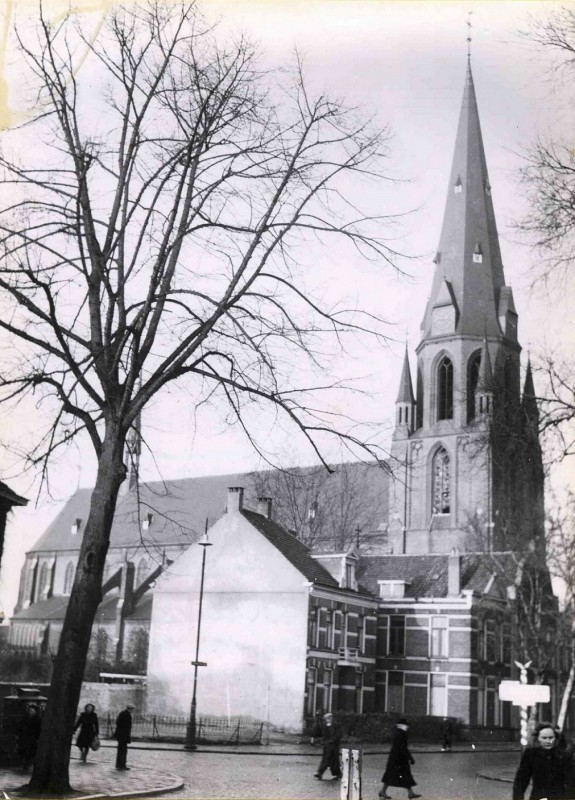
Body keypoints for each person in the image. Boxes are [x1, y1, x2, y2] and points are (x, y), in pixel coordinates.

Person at [513, 722, 568, 800]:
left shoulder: (564, 756)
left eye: (551, 737)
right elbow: (521, 780)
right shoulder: (531, 754)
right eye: (544, 738)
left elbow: (571, 780)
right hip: (538, 796)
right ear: (538, 738)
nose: (548, 741)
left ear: (555, 738)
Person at [380, 718, 421, 800]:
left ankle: (410, 793)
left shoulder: (398, 733)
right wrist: (410, 758)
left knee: (399, 775)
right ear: (401, 726)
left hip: (396, 758)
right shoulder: (401, 734)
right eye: (406, 725)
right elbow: (403, 747)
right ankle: (383, 792)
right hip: (399, 759)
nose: (407, 727)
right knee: (401, 775)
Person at [314, 712, 342, 780]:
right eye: (327, 718)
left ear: (332, 718)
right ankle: (320, 773)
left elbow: (338, 734)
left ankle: (337, 774)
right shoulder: (324, 726)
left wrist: (333, 740)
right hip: (327, 746)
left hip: (334, 746)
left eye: (330, 718)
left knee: (334, 760)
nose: (328, 719)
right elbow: (320, 734)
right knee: (326, 759)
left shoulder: (336, 725)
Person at [17, 704, 42, 771]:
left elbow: (39, 729)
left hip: (32, 737)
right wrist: (19, 734)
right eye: (30, 710)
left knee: (30, 750)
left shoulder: (37, 719)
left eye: (32, 710)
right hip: (24, 736)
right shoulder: (25, 717)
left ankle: (27, 762)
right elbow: (20, 726)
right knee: (23, 749)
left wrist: (37, 737)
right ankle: (24, 761)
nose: (31, 711)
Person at [114, 704, 134, 770]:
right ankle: (122, 765)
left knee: (120, 750)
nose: (132, 710)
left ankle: (118, 764)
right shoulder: (127, 715)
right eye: (132, 709)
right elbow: (125, 726)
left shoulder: (122, 713)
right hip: (123, 736)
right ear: (130, 709)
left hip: (120, 735)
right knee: (123, 751)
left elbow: (117, 722)